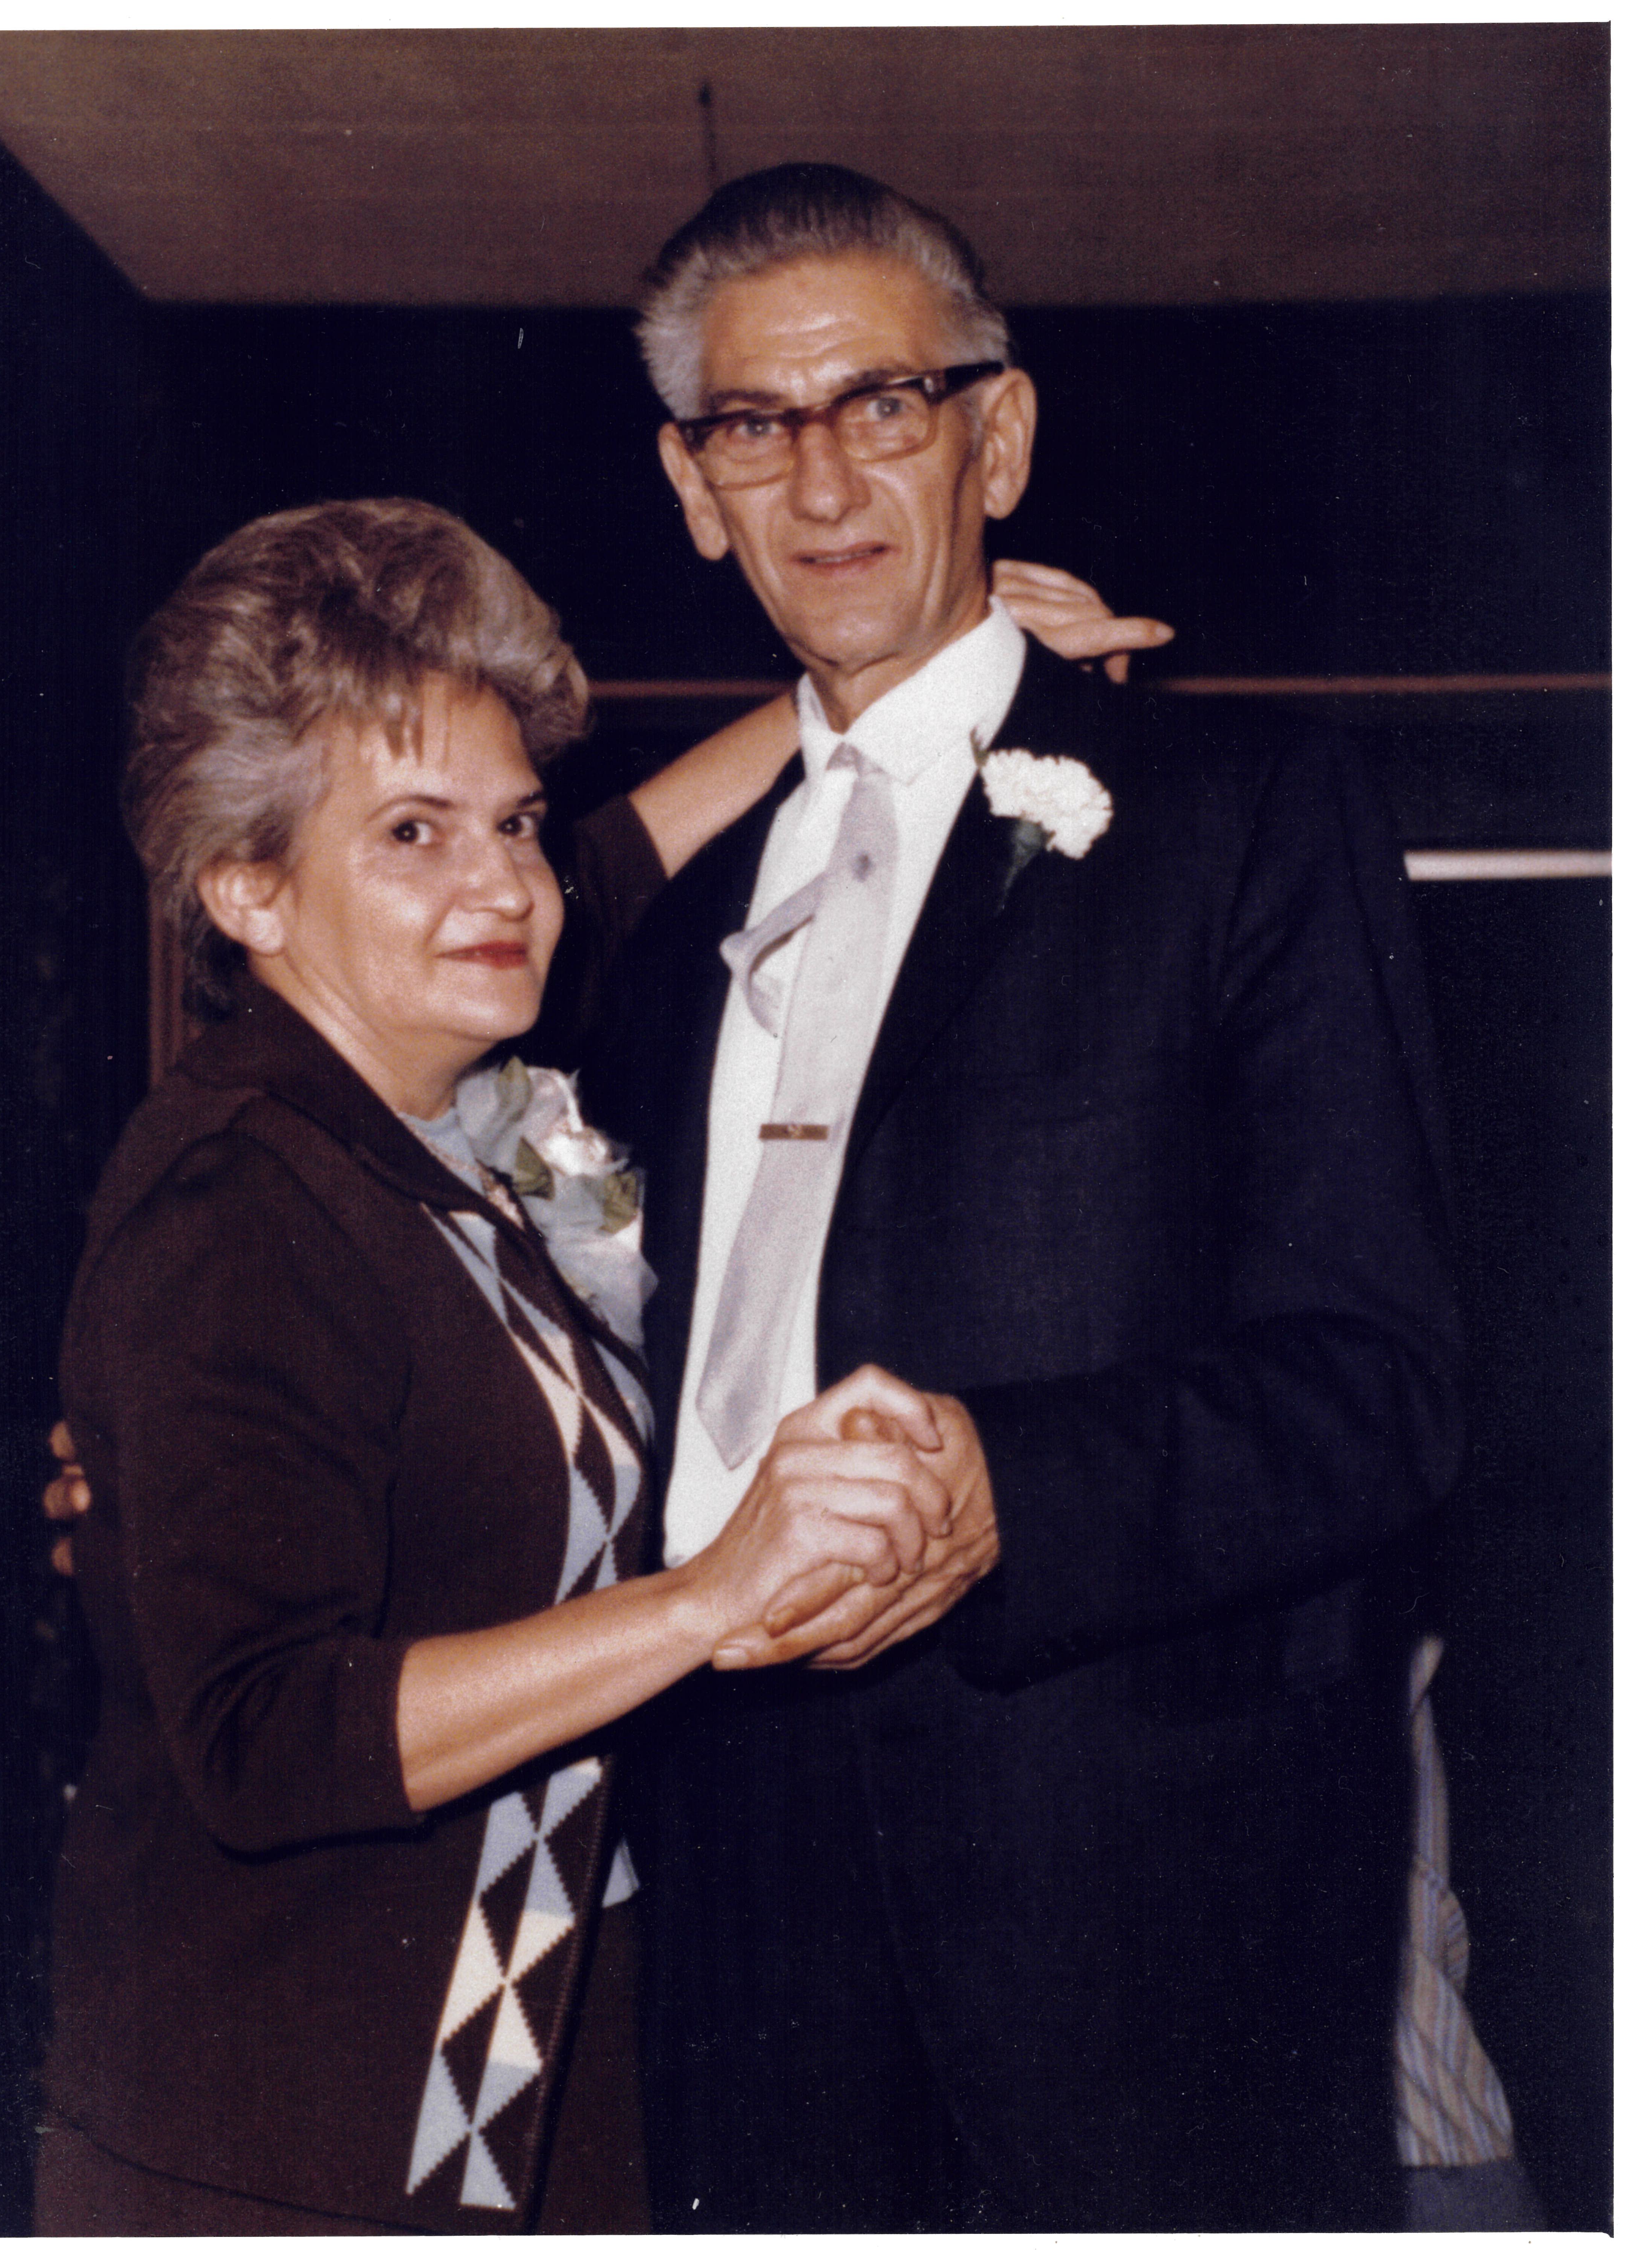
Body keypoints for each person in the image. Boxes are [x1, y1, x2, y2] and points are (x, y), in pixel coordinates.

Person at [571, 164, 1468, 2232]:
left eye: (881, 404)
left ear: (1000, 438)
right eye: (753, 425)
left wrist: (1013, 1498)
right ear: (694, 489)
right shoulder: (662, 932)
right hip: (730, 1887)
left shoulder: (1247, 821)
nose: (821, 479)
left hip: (1132, 1912)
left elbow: (1382, 1386)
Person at [36, 495, 974, 2235]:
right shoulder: (242, 1198)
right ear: (248, 888)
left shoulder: (433, 1125)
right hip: (284, 2140)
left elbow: (610, 872)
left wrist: (886, 688)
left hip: (514, 2071)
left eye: (515, 822)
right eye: (414, 831)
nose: (508, 886)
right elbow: (264, 1736)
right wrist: (708, 1600)